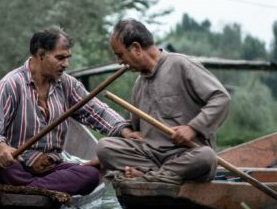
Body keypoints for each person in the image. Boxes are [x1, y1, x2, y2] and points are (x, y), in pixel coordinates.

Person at [0, 27, 140, 195]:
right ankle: (39, 188)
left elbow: (97, 112)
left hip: (51, 168)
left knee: (90, 175)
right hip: (18, 165)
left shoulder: (67, 84)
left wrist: (124, 131)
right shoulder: (11, 84)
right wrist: (2, 147)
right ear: (41, 55)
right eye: (60, 58)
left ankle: (29, 187)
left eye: (67, 58)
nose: (66, 64)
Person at [96, 19, 231, 185]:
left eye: (120, 55)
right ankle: (158, 174)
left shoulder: (182, 65)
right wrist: (128, 132)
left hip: (185, 155)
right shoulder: (139, 84)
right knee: (104, 147)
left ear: (136, 48)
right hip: (150, 157)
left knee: (207, 157)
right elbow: (135, 128)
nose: (119, 62)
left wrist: (192, 128)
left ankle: (150, 175)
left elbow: (221, 98)